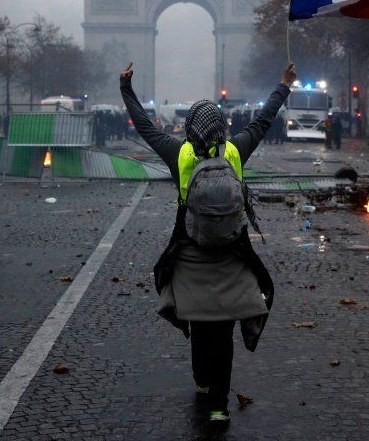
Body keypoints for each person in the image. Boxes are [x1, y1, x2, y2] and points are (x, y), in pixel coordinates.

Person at [120, 61, 296, 423]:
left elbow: (145, 127)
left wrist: (126, 88)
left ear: (189, 129)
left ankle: (202, 383)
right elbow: (263, 120)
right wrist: (283, 85)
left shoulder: (178, 153)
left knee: (201, 323)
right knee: (224, 331)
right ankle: (218, 405)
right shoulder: (234, 152)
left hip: (189, 254)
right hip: (233, 253)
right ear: (221, 127)